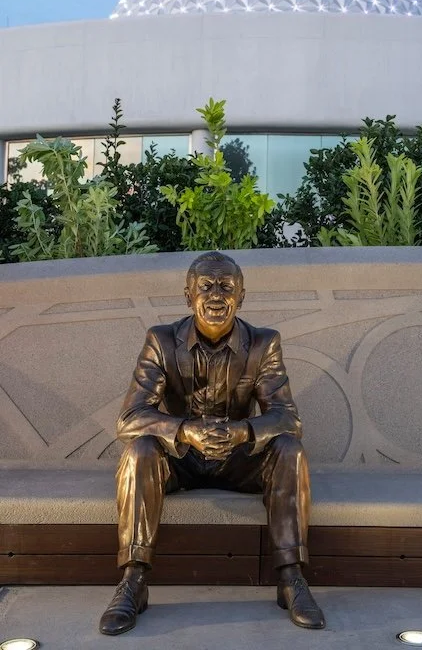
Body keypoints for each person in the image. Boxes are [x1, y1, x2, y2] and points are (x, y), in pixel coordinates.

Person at [99, 250, 325, 635]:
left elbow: (288, 417)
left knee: (289, 448)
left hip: (238, 459)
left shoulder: (264, 343)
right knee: (139, 449)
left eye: (226, 286)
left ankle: (292, 578)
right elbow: (130, 419)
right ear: (189, 296)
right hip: (181, 459)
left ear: (241, 296)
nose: (216, 295)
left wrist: (242, 431)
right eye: (206, 286)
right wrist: (186, 430)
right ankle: (133, 581)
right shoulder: (161, 341)